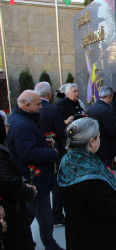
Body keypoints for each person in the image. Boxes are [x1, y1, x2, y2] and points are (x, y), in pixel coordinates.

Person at [58, 117, 116, 249]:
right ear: (92, 141)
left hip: (77, 231)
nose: (99, 140)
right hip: (98, 237)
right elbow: (109, 210)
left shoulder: (68, 159)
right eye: (99, 137)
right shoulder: (91, 178)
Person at [6, 90, 62, 250]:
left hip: (31, 178)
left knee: (29, 213)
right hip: (35, 180)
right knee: (44, 217)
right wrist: (53, 152)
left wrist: (42, 141)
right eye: (38, 104)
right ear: (26, 105)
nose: (41, 107)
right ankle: (50, 245)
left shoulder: (20, 119)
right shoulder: (23, 124)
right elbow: (28, 153)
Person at [0, 109, 37, 250]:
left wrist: (24, 182)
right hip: (11, 213)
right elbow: (7, 181)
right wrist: (28, 191)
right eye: (5, 124)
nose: (7, 127)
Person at [35, 81, 67, 226]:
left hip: (37, 151)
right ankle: (57, 214)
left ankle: (44, 213)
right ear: (49, 94)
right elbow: (61, 132)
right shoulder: (54, 110)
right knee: (57, 183)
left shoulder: (32, 110)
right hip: (55, 150)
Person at [87, 86, 116, 170]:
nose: (112, 100)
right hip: (105, 147)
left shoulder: (91, 108)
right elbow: (110, 130)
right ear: (108, 96)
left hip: (93, 144)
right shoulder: (106, 110)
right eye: (112, 97)